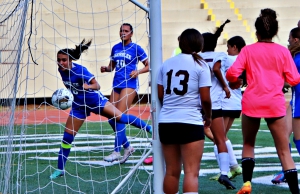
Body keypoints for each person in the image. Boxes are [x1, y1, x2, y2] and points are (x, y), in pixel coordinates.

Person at [50, 39, 152, 179]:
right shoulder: (61, 70)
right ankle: (60, 169)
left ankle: (150, 129)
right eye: (58, 60)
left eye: (64, 60)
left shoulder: (80, 71)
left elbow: (96, 86)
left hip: (95, 101)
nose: (61, 63)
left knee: (119, 118)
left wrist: (87, 87)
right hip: (79, 106)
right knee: (67, 138)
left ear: (70, 60)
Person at [226, 8, 300, 194]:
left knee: (248, 144)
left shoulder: (248, 50)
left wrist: (237, 82)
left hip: (252, 102)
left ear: (256, 32)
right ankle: (295, 191)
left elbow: (232, 74)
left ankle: (247, 184)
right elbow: (295, 79)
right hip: (274, 103)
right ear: (275, 31)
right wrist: (279, 80)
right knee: (283, 150)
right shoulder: (283, 52)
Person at [157, 28, 212, 194]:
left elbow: (160, 94)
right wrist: (208, 117)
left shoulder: (166, 63)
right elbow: (205, 99)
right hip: (190, 120)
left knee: (172, 172)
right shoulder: (201, 65)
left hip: (166, 121)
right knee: (191, 172)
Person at [100, 23, 151, 162]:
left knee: (119, 117)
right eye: (121, 30)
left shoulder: (136, 48)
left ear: (131, 34)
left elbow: (148, 65)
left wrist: (138, 71)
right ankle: (128, 147)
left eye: (126, 31)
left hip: (129, 84)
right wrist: (106, 68)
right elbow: (112, 67)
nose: (123, 33)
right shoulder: (115, 48)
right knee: (110, 117)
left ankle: (116, 151)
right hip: (117, 84)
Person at [200, 19, 236, 190]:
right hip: (214, 103)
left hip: (196, 103)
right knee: (220, 139)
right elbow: (216, 69)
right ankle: (224, 172)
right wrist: (226, 86)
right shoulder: (219, 55)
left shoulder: (196, 57)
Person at [210, 36, 246, 181]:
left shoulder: (228, 59)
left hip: (226, 101)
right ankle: (230, 168)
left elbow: (216, 69)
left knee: (219, 137)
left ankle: (232, 168)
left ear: (235, 47)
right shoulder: (243, 60)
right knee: (221, 136)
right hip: (236, 101)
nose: (227, 50)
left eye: (229, 47)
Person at [271, 27, 300, 184]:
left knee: (298, 138)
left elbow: (290, 79)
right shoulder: (294, 55)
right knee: (283, 136)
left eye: (290, 37)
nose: (287, 40)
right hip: (295, 99)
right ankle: (286, 170)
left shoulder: (295, 56)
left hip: (299, 99)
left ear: (295, 39)